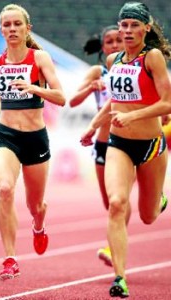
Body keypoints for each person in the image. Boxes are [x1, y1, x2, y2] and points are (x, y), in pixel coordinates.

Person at [80, 2, 171, 298]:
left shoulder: (152, 58)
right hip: (118, 143)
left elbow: (167, 103)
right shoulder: (113, 61)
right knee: (117, 204)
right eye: (124, 25)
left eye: (134, 25)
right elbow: (113, 101)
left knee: (147, 216)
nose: (128, 31)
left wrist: (133, 115)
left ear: (146, 28)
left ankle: (158, 200)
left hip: (151, 145)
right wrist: (95, 125)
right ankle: (120, 277)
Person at [0, 4, 66, 281]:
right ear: (1, 29)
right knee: (4, 189)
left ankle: (38, 225)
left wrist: (34, 87)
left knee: (35, 205)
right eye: (7, 25)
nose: (12, 29)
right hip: (7, 135)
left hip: (35, 138)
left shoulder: (40, 58)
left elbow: (61, 97)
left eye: (17, 24)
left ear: (28, 28)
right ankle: (10, 258)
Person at [69, 25, 131, 267]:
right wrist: (90, 87)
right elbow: (72, 101)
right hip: (103, 144)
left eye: (119, 40)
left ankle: (112, 247)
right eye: (109, 41)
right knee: (110, 203)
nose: (115, 45)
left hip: (128, 142)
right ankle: (116, 243)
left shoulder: (133, 67)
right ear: (102, 47)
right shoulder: (97, 71)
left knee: (120, 200)